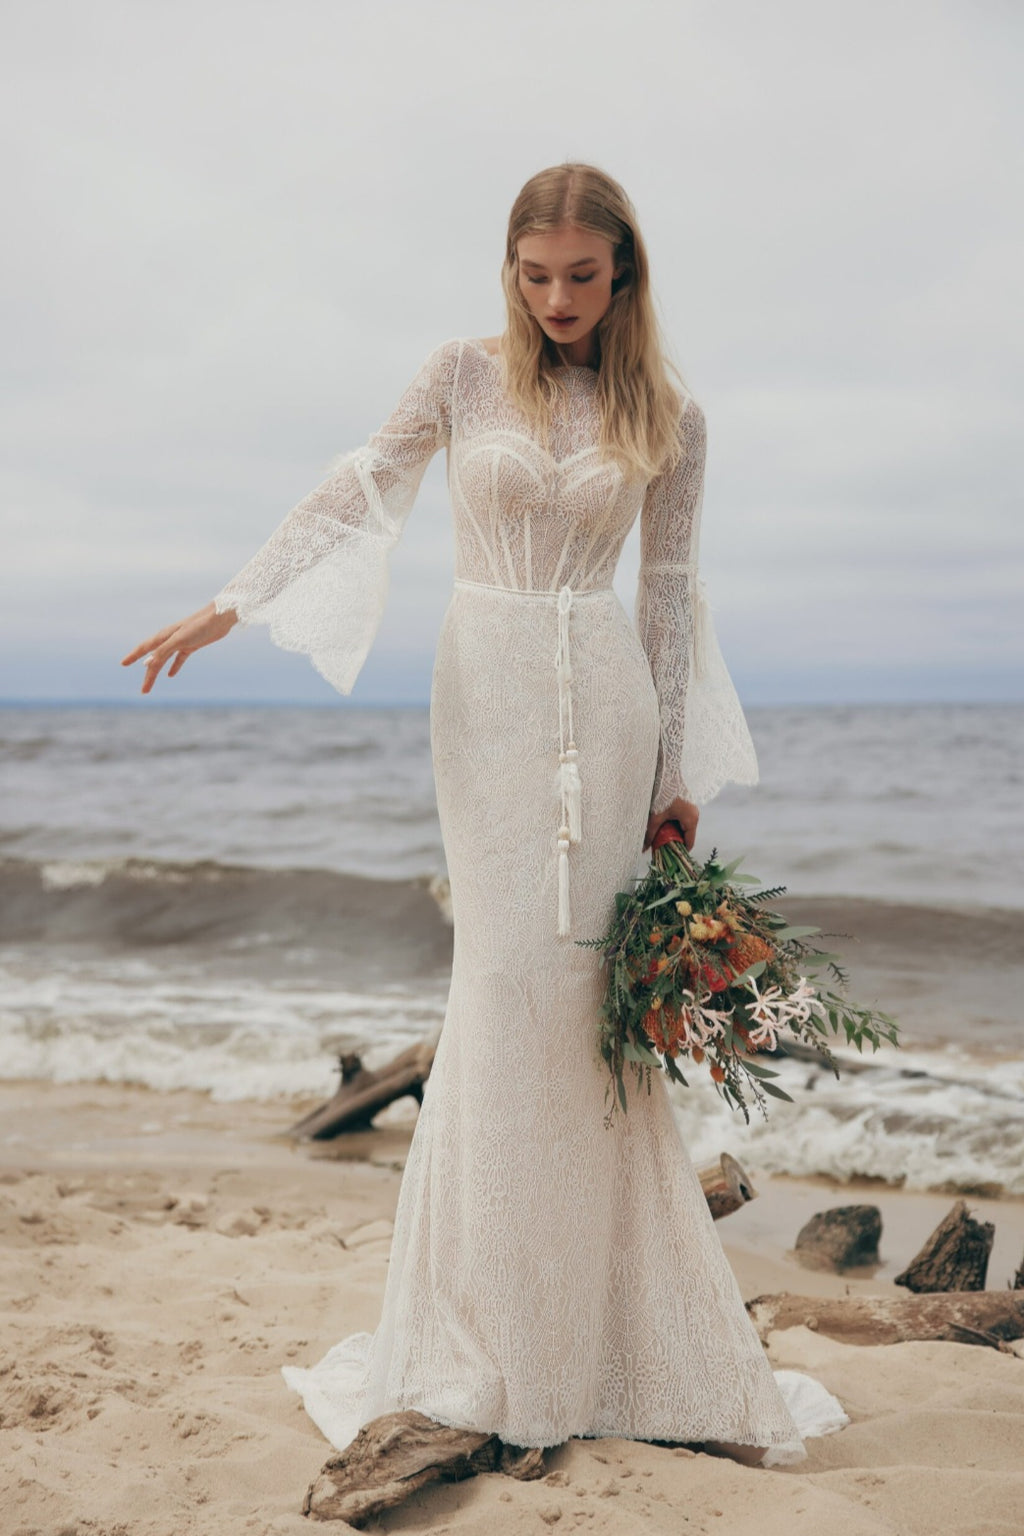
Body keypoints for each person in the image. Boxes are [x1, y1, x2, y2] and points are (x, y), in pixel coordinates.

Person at [122, 163, 847, 1468]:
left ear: (623, 275)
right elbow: (364, 485)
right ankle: (491, 1333)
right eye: (536, 273)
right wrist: (236, 599)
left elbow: (667, 600)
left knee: (587, 1010)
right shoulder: (462, 372)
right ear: (510, 271)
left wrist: (674, 781)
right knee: (504, 987)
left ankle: (599, 1335)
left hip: (609, 710)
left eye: (582, 274)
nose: (558, 298)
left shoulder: (669, 413)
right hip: (489, 700)